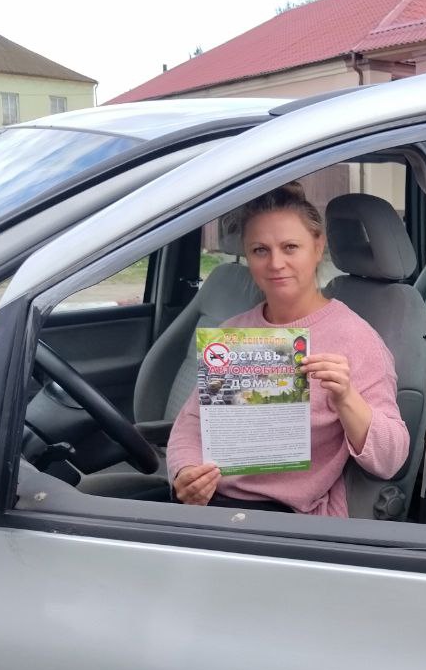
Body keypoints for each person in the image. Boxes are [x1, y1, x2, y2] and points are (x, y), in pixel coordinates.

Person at [166, 183, 410, 517]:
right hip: (210, 506)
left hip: (282, 519)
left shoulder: (355, 338)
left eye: (290, 247)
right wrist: (185, 473)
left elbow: (391, 459)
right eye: (260, 250)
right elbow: (192, 423)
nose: (275, 263)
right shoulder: (231, 333)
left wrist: (346, 398)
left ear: (318, 247)